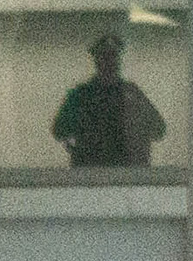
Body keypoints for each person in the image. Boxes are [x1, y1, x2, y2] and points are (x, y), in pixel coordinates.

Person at [52, 33, 166, 169]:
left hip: (129, 174)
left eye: (113, 56)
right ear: (96, 60)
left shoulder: (132, 94)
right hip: (90, 173)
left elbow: (158, 129)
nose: (109, 62)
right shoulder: (81, 95)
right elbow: (59, 130)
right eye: (105, 56)